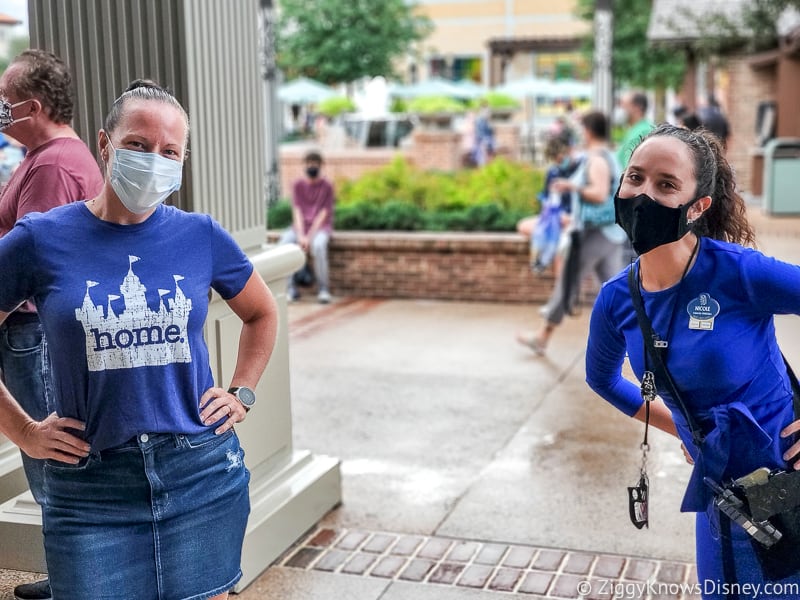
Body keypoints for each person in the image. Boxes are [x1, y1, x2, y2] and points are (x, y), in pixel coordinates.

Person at [0, 79, 279, 600]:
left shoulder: (200, 235)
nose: (154, 160)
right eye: (137, 144)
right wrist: (24, 431)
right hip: (89, 489)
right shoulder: (42, 238)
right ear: (105, 145)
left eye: (169, 151)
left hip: (199, 473)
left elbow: (262, 312)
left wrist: (241, 392)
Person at [586, 123, 800, 596]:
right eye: (635, 178)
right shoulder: (617, 299)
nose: (643, 195)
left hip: (789, 488)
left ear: (698, 205)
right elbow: (602, 379)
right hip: (720, 501)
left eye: (666, 185)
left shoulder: (739, 273)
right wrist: (684, 428)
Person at [0, 49, 104, 600]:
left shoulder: (54, 164)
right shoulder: (42, 156)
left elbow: (29, 265)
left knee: (48, 454)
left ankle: (75, 581)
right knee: (47, 456)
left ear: (33, 106)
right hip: (29, 330)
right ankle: (72, 576)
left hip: (30, 331)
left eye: (4, 104)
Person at [516, 111, 625, 355]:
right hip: (609, 232)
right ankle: (645, 340)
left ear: (587, 131)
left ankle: (542, 337)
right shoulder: (605, 155)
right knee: (616, 289)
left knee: (568, 282)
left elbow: (598, 194)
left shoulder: (598, 159)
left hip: (596, 232)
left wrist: (571, 186)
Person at [516, 135, 578, 275]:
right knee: (524, 226)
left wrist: (568, 216)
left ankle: (561, 292)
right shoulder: (553, 172)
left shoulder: (579, 169)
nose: (559, 162)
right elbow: (547, 198)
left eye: (561, 158)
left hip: (573, 219)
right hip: (554, 219)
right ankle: (541, 259)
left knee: (560, 249)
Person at [280, 150, 335, 304]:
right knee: (284, 245)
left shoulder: (327, 186)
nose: (312, 166)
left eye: (315, 164)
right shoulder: (297, 185)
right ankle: (290, 289)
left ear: (321, 165)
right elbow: (297, 211)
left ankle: (323, 289)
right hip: (299, 228)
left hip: (320, 228)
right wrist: (301, 235)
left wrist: (308, 237)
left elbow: (323, 213)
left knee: (318, 246)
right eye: (309, 163)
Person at [616, 90, 654, 169]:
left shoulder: (643, 131)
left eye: (624, 105)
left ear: (637, 108)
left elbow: (630, 168)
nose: (621, 109)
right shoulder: (634, 129)